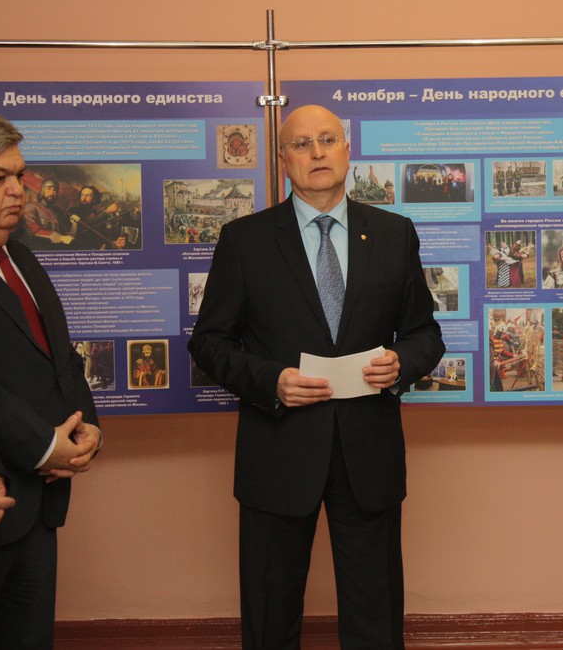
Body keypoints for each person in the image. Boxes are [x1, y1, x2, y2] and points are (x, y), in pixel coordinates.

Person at [189, 104, 444, 650]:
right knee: (270, 617)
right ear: (283, 160)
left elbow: (425, 333)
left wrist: (402, 363)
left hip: (368, 454)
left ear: (348, 150)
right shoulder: (245, 240)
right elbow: (208, 342)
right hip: (277, 452)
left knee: (375, 618)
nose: (317, 152)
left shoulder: (394, 234)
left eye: (328, 139)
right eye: (301, 144)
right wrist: (271, 381)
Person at [0, 111, 102, 650]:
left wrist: (87, 429)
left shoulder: (21, 256)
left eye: (18, 175)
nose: (17, 190)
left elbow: (61, 358)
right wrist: (43, 446)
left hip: (40, 507)